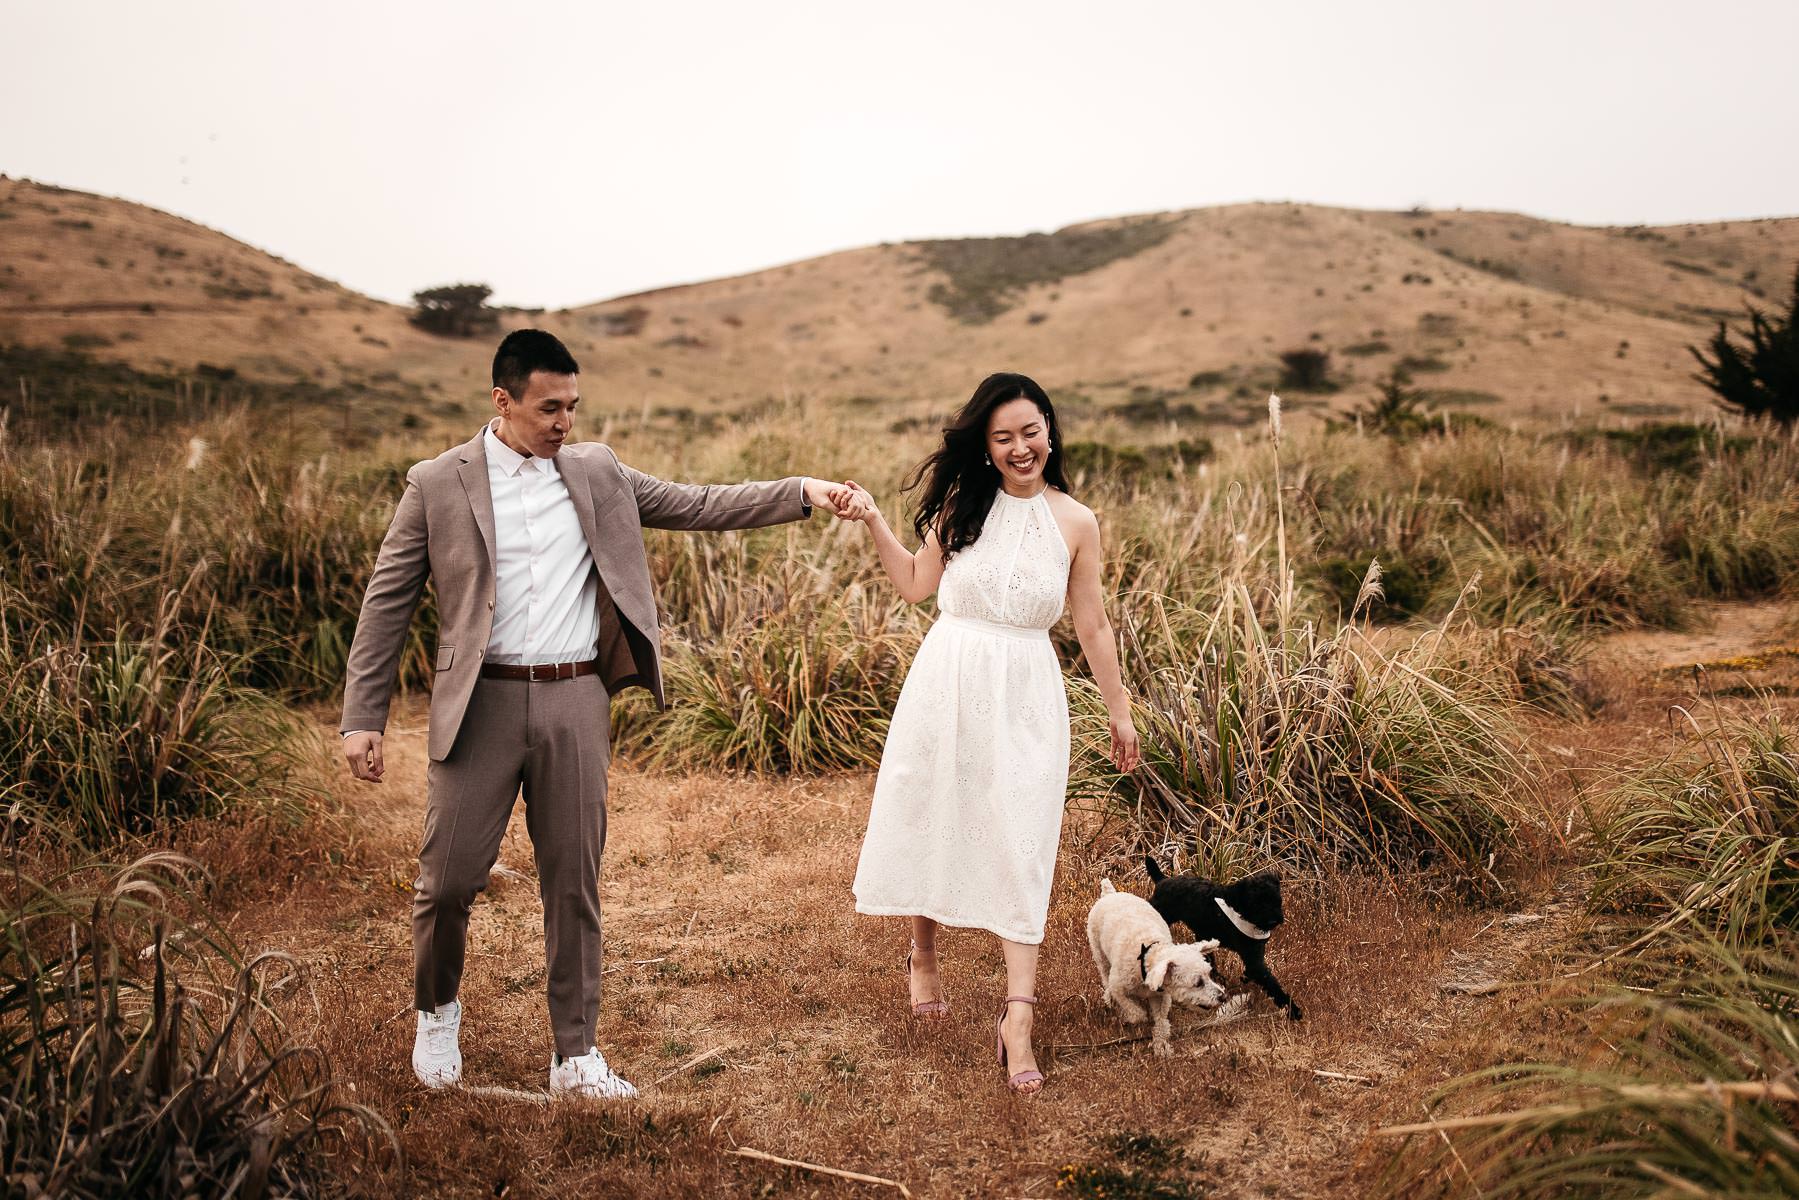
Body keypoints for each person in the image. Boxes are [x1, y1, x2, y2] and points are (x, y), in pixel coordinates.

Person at [339, 329, 852, 1099]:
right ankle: (437, 1013)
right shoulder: (436, 482)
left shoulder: (596, 469)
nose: (564, 423)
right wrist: (361, 715)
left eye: (573, 407)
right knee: (447, 882)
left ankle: (575, 1054)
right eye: (549, 408)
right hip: (478, 703)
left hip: (577, 696)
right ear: (502, 401)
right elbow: (387, 601)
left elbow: (696, 504)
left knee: (572, 881)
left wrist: (800, 491)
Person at [837, 372, 1141, 1096]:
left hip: (1027, 691)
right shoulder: (959, 505)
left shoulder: (1076, 523)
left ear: (1049, 431)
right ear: (985, 445)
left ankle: (1018, 1019)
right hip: (948, 675)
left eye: (1029, 432)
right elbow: (915, 585)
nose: (1019, 448)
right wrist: (876, 518)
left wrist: (1119, 710)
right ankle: (922, 954)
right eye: (1002, 437)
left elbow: (1091, 623)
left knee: (1022, 840)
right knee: (931, 814)